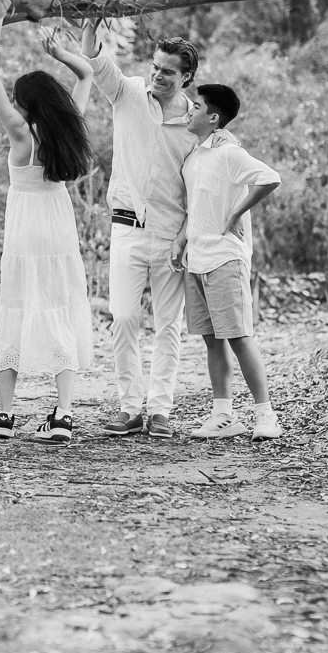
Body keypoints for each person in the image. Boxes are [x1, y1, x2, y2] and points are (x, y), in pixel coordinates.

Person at [80, 22, 200, 439]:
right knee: (125, 317)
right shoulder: (128, 93)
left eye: (168, 71)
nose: (157, 75)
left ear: (186, 77)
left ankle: (160, 410)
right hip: (127, 228)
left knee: (169, 325)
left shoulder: (194, 123)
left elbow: (200, 183)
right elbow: (96, 58)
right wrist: (91, 18)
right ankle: (130, 408)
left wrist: (187, 235)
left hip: (172, 235)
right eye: (156, 66)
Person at [0, 20, 95, 444]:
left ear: (25, 103)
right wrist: (59, 53)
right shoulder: (67, 126)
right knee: (60, 308)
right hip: (58, 226)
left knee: (15, 308)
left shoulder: (20, 134)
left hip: (25, 228)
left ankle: (5, 416)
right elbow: (85, 74)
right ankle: (63, 415)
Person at [171, 84, 283, 441]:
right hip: (196, 258)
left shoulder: (229, 152)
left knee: (238, 336)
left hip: (224, 259)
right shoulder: (195, 156)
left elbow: (269, 178)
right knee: (211, 339)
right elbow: (197, 206)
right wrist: (181, 239)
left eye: (197, 106)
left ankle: (265, 415)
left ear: (214, 117)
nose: (190, 110)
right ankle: (223, 415)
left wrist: (236, 215)